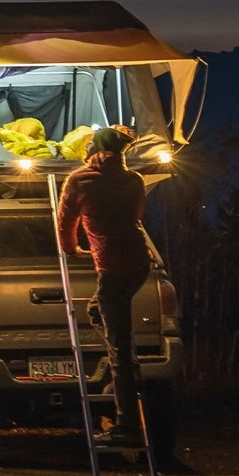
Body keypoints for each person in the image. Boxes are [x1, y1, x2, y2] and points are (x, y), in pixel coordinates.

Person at [56, 126, 152, 445]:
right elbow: (137, 214)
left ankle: (128, 425)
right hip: (139, 261)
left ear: (95, 148)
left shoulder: (80, 180)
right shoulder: (134, 179)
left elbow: (65, 221)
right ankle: (127, 378)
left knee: (119, 345)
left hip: (112, 266)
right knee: (99, 312)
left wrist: (71, 249)